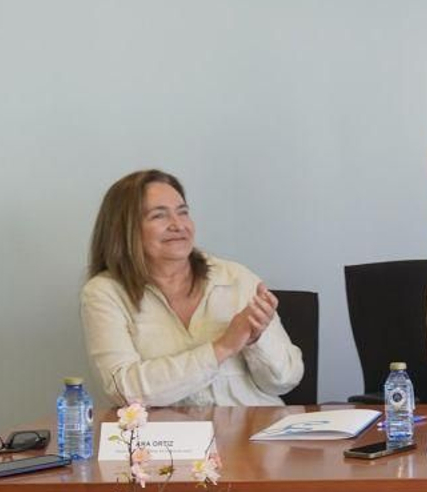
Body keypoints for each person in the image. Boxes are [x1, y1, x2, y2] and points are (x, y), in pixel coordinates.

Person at [81, 169, 303, 407]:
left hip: (256, 425)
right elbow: (125, 390)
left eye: (183, 212)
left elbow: (286, 380)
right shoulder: (104, 293)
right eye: (159, 216)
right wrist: (222, 347)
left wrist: (256, 340)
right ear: (125, 229)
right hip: (167, 431)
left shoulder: (236, 278)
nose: (178, 225)